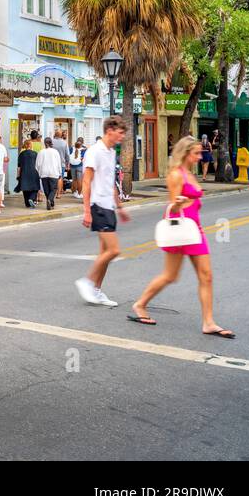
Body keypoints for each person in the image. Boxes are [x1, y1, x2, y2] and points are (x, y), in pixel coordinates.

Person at [128, 136, 234, 337]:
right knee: (170, 276)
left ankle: (209, 322)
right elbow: (173, 205)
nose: (199, 156)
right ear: (185, 154)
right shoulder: (176, 175)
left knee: (207, 276)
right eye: (196, 153)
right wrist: (178, 202)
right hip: (180, 229)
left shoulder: (190, 174)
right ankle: (140, 304)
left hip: (196, 230)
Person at [76, 117, 130, 308]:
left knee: (105, 252)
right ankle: (87, 281)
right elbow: (86, 181)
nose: (122, 137)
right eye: (120, 133)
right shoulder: (95, 152)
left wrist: (120, 207)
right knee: (114, 250)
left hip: (109, 206)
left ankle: (96, 290)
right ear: (110, 130)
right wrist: (87, 210)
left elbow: (110, 182)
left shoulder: (110, 152)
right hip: (98, 205)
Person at [37, 136, 62, 210]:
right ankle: (50, 200)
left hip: (44, 173)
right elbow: (58, 163)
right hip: (54, 173)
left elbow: (37, 164)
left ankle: (51, 202)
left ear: (44, 143)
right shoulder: (55, 152)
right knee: (53, 189)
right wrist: (60, 173)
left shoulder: (41, 152)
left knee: (46, 189)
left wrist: (39, 172)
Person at [17, 136, 40, 208]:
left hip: (24, 172)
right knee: (35, 187)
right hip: (34, 172)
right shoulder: (35, 153)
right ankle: (31, 199)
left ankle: (27, 203)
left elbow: (19, 166)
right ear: (31, 145)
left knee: (25, 188)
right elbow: (38, 164)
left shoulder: (21, 154)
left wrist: (18, 175)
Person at [52, 129, 70, 196]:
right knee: (60, 177)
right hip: (61, 163)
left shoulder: (51, 142)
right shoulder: (64, 143)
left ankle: (53, 192)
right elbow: (67, 155)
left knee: (53, 178)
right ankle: (59, 194)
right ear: (61, 135)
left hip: (53, 163)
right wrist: (68, 164)